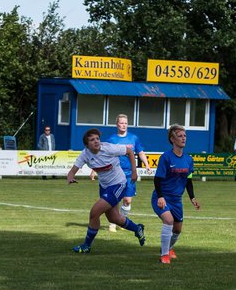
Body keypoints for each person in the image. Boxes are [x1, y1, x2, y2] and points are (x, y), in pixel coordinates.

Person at [66, 128, 145, 253]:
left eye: (97, 138)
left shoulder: (108, 148)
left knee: (94, 212)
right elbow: (73, 170)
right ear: (86, 145)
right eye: (92, 140)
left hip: (118, 184)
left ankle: (86, 246)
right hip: (104, 187)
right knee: (114, 218)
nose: (96, 141)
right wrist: (70, 177)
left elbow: (129, 151)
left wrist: (134, 171)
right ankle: (137, 229)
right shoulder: (85, 154)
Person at [151, 124, 200, 265]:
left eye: (185, 136)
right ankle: (164, 255)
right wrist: (160, 196)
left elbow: (188, 180)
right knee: (168, 220)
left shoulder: (188, 159)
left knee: (177, 230)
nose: (183, 138)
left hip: (177, 200)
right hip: (162, 197)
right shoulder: (166, 157)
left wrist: (192, 197)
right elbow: (157, 179)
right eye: (180, 136)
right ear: (172, 139)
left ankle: (169, 248)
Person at [105, 113, 148, 231]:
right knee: (115, 198)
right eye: (121, 123)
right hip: (116, 173)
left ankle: (122, 221)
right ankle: (113, 223)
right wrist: (94, 170)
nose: (123, 125)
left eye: (125, 123)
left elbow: (140, 152)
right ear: (117, 124)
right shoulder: (112, 139)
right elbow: (105, 155)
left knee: (127, 200)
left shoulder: (133, 138)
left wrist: (146, 163)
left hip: (130, 174)